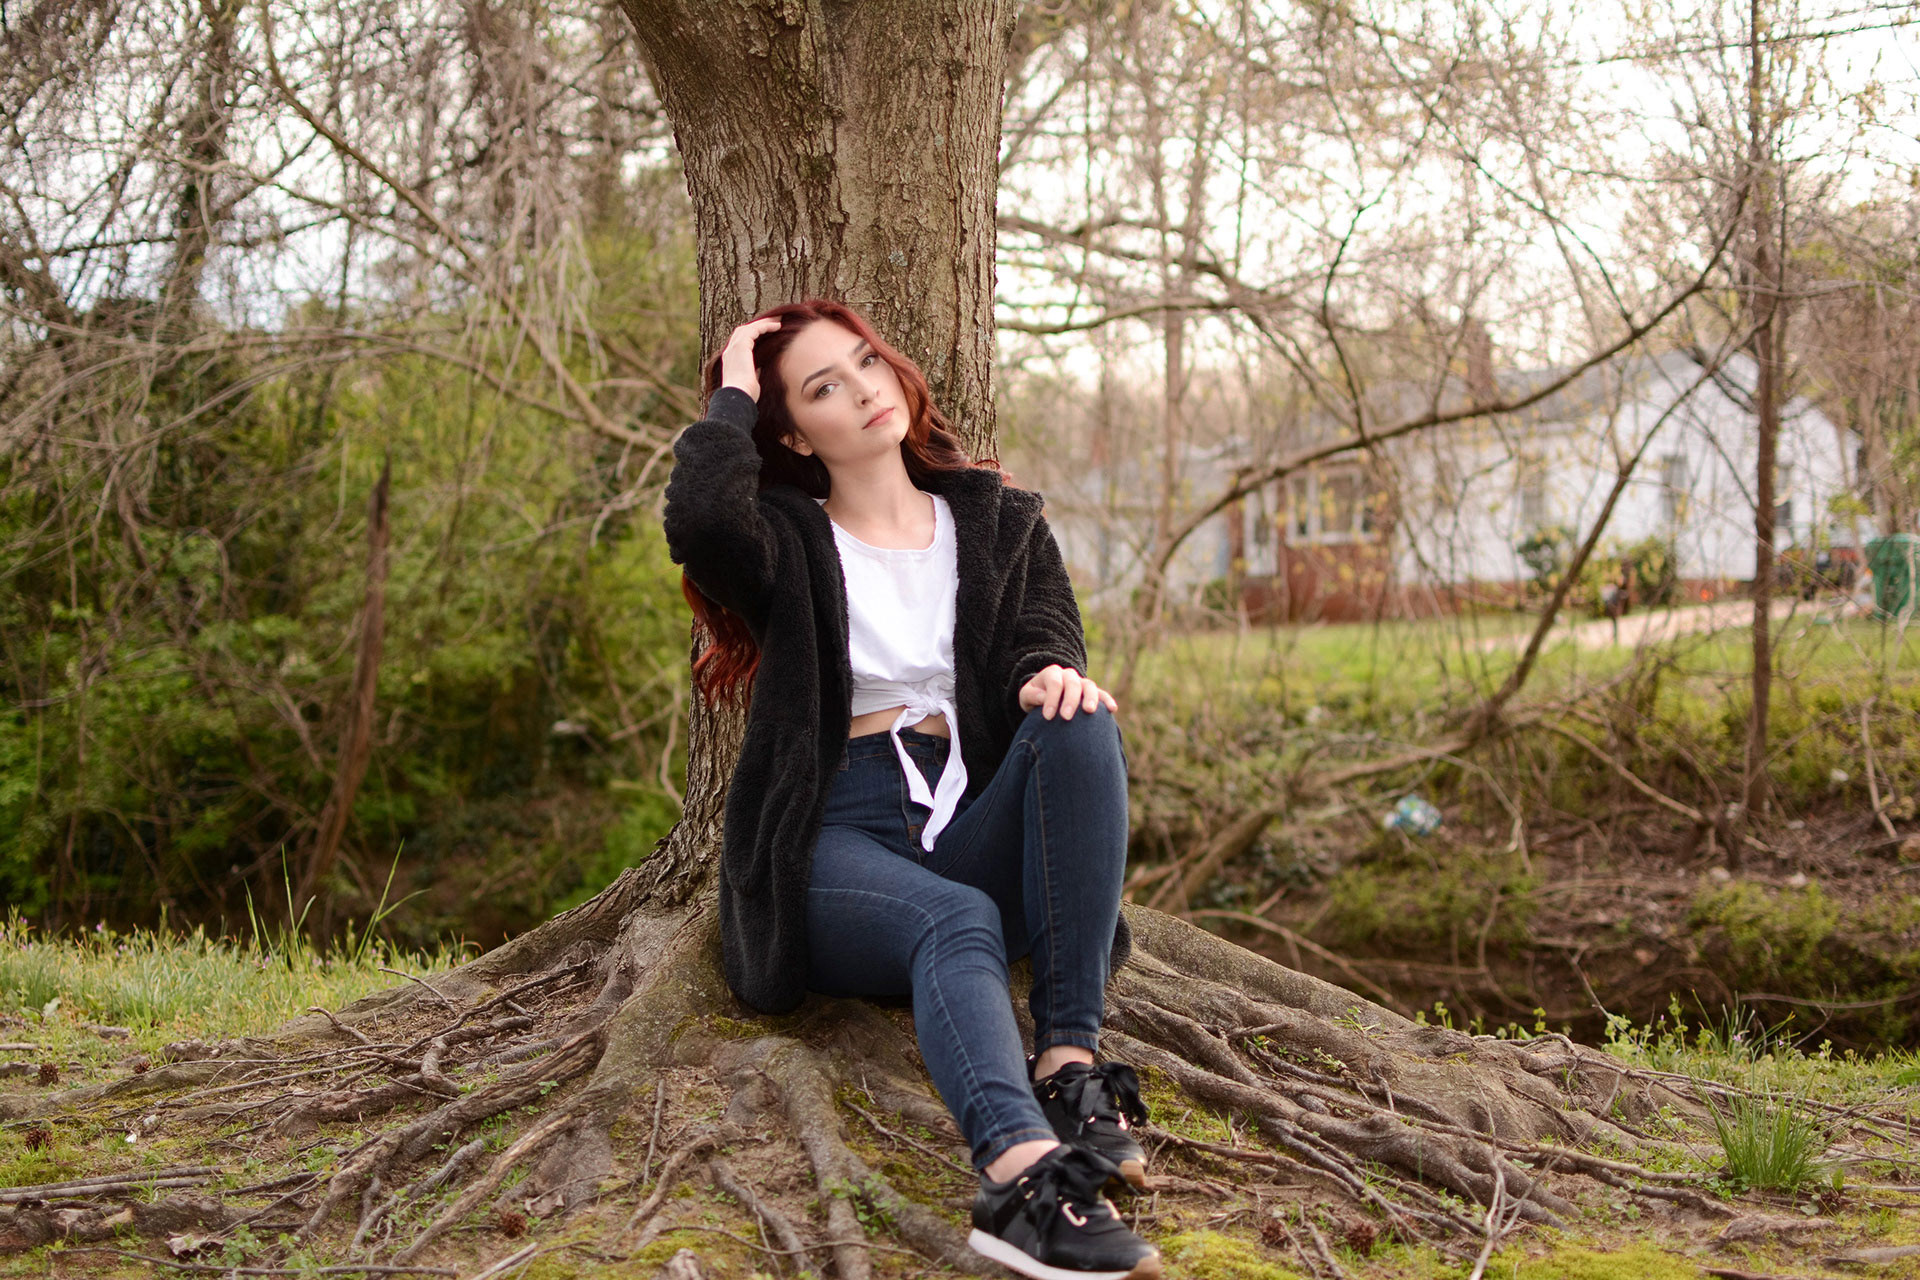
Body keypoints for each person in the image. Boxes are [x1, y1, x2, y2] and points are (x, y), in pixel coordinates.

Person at [663, 299, 1160, 1280]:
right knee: (957, 917)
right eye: (822, 388)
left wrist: (1041, 675)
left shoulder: (997, 517)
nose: (862, 388)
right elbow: (700, 519)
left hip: (964, 801)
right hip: (835, 831)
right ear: (797, 431)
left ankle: (1069, 1065)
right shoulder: (788, 538)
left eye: (865, 363)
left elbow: (1045, 634)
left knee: (1080, 713)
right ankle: (1018, 1182)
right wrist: (731, 391)